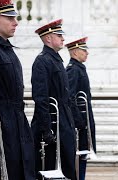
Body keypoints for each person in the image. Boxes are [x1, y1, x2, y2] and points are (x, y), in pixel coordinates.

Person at [0, 0, 35, 179]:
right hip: (3, 127)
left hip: (17, 122)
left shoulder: (6, 50)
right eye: (10, 18)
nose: (16, 22)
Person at [31, 19, 76, 180]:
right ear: (48, 38)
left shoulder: (55, 59)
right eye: (59, 35)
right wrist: (46, 129)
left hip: (63, 121)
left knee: (68, 167)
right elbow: (41, 98)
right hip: (52, 123)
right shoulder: (42, 61)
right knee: (52, 170)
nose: (63, 39)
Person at [65, 37, 96, 180]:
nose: (87, 53)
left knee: (83, 156)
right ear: (75, 52)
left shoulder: (78, 68)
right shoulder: (73, 70)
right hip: (80, 122)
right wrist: (79, 120)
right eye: (84, 50)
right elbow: (70, 97)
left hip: (84, 120)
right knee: (79, 157)